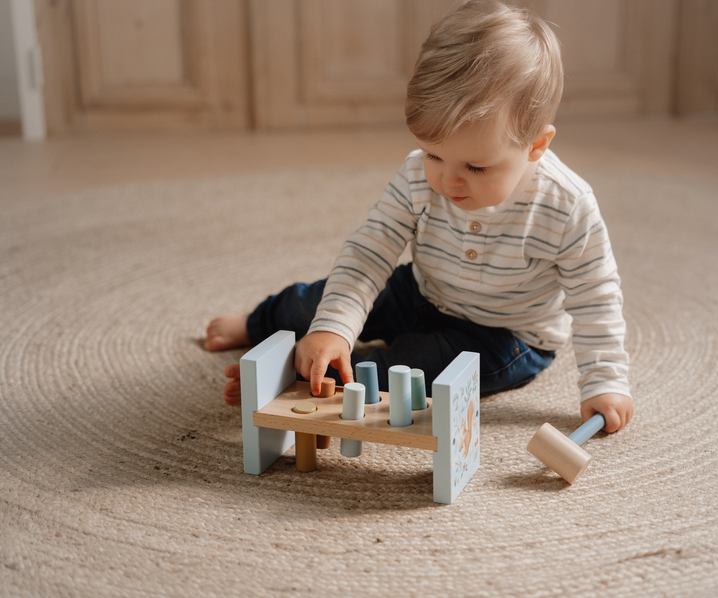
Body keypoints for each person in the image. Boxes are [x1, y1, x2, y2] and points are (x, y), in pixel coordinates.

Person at [205, 0, 633, 432]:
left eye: (476, 167)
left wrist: (605, 381)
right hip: (422, 290)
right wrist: (334, 327)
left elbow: (596, 298)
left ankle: (301, 380)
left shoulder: (567, 205)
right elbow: (371, 250)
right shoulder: (417, 175)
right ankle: (259, 322)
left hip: (503, 336)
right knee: (313, 304)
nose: (448, 181)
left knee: (410, 371)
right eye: (434, 154)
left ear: (536, 147)